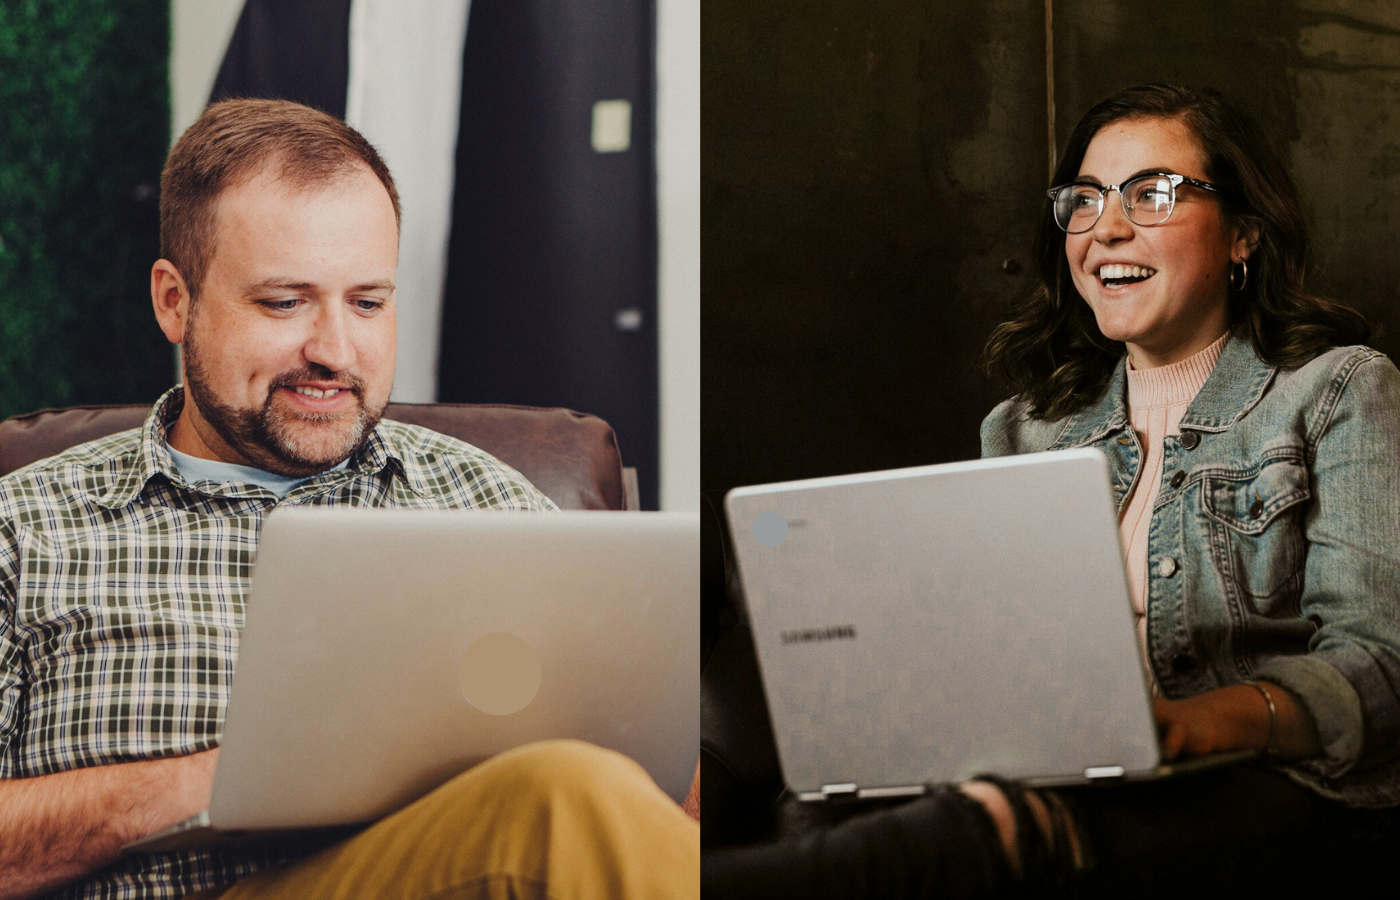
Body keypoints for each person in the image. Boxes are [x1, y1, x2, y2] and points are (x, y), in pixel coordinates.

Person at [703, 83, 1400, 897]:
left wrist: (1194, 725)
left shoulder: (1340, 390)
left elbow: (1381, 667)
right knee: (828, 805)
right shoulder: (1024, 430)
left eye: (1152, 193)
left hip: (1275, 794)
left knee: (996, 832)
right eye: (1086, 199)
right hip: (1068, 781)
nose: (1107, 228)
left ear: (1244, 232)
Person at [0, 99, 698, 900]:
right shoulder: (25, 527)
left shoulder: (489, 502)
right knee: (562, 804)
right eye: (283, 302)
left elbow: (662, 800)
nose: (334, 350)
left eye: (367, 303)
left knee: (581, 795)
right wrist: (218, 779)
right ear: (174, 301)